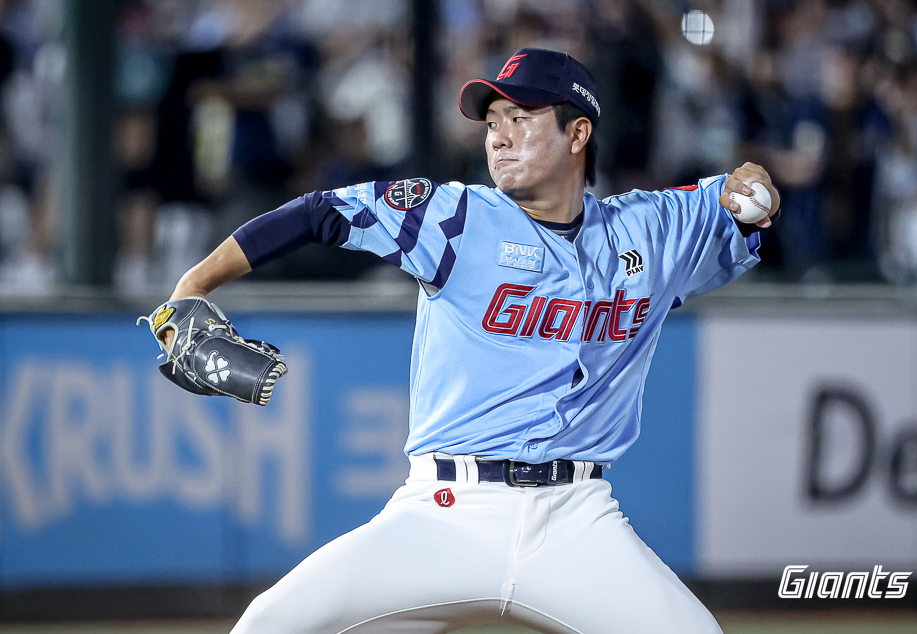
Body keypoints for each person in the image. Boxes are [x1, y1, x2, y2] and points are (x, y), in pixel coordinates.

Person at [163, 48, 779, 633]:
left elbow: (733, 192)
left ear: (578, 134)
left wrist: (751, 182)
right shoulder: (455, 217)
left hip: (577, 519)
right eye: (492, 122)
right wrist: (193, 285)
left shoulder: (649, 230)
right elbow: (318, 213)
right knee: (270, 623)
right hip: (443, 512)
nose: (499, 137)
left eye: (520, 118)